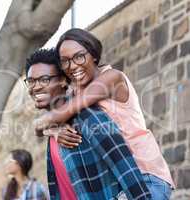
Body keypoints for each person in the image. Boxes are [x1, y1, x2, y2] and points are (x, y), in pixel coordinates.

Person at [35, 28, 174, 199]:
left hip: (145, 175)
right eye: (65, 61)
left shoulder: (111, 78)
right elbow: (39, 127)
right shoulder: (76, 92)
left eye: (79, 56)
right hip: (120, 179)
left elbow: (58, 115)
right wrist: (54, 131)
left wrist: (50, 123)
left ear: (93, 54)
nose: (72, 66)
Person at [25, 48, 151, 200]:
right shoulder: (53, 127)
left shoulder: (85, 115)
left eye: (44, 80)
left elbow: (124, 166)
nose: (36, 87)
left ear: (64, 80)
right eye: (31, 81)